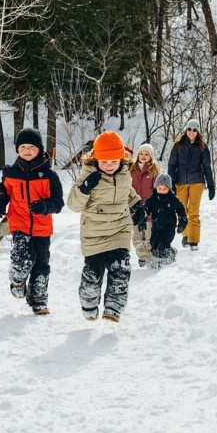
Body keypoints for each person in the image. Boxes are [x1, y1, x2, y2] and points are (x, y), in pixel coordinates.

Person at [67, 131, 147, 322]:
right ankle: (89, 302)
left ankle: (113, 306)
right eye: (104, 161)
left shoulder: (124, 173)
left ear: (121, 158)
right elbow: (73, 205)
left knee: (121, 268)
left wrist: (137, 205)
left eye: (114, 161)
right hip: (94, 233)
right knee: (93, 274)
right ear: (95, 159)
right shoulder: (88, 175)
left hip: (120, 229)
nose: (109, 165)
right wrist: (84, 189)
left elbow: (128, 191)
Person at [0, 127, 64, 316]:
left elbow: (58, 202)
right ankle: (17, 280)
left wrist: (45, 206)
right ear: (18, 149)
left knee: (41, 264)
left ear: (39, 149)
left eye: (31, 147)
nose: (27, 150)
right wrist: (0, 203)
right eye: (23, 147)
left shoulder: (49, 175)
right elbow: (4, 190)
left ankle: (38, 300)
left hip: (42, 227)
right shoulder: (11, 172)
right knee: (23, 256)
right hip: (19, 223)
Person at [167, 118, 215, 251]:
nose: (191, 132)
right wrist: (171, 184)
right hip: (180, 182)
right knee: (181, 211)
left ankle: (193, 241)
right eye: (189, 129)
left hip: (197, 182)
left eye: (194, 130)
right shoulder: (178, 146)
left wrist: (211, 186)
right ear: (186, 130)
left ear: (198, 132)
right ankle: (186, 235)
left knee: (193, 212)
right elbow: (171, 165)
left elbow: (207, 167)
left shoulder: (202, 147)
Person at [142, 173, 187, 268]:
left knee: (162, 247)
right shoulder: (152, 199)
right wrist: (142, 221)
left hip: (168, 228)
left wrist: (182, 222)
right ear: (156, 187)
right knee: (154, 248)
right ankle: (171, 252)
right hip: (156, 227)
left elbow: (181, 210)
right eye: (160, 188)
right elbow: (145, 210)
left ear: (169, 189)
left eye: (165, 188)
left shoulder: (173, 200)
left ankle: (166, 262)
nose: (162, 190)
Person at [129, 143, 162, 267]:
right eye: (141, 154)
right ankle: (142, 257)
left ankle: (151, 258)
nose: (143, 156)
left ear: (151, 156)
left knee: (149, 236)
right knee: (137, 237)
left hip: (149, 209)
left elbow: (158, 190)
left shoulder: (154, 171)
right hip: (135, 207)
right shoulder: (132, 170)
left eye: (146, 154)